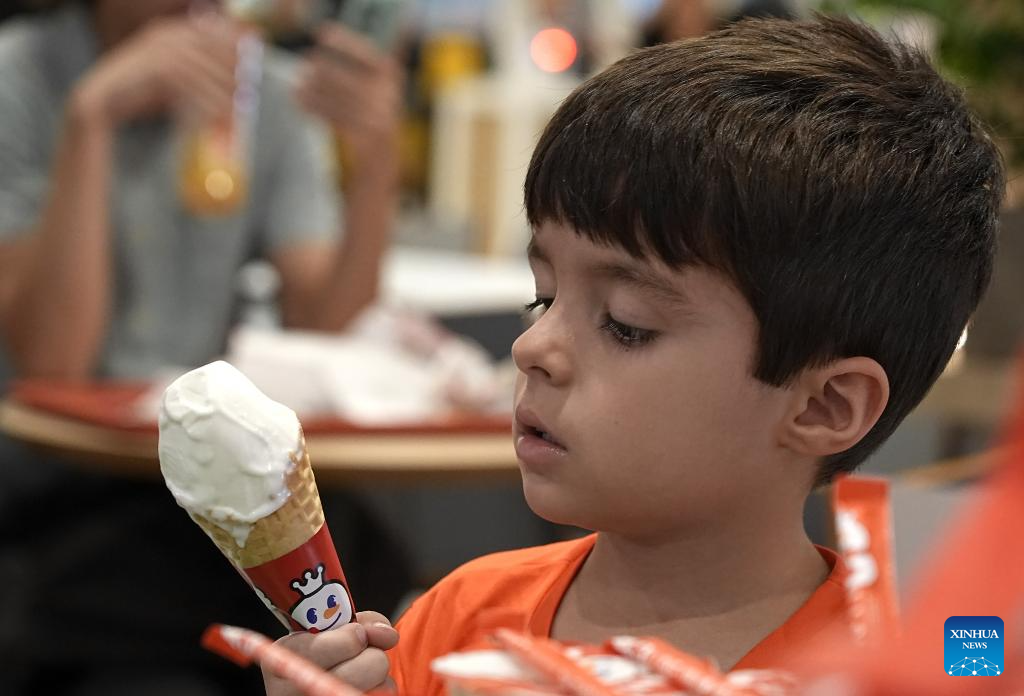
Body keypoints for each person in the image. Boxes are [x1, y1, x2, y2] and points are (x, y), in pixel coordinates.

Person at [262, 13, 1005, 696]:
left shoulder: (931, 656)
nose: (532, 346)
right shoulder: (458, 620)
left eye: (625, 325)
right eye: (543, 298)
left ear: (824, 406)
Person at [0, 1, 408, 693]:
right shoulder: (22, 74)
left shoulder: (263, 86)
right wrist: (92, 117)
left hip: (217, 479)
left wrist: (374, 159)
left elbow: (325, 326)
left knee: (386, 598)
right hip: (67, 489)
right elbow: (55, 362)